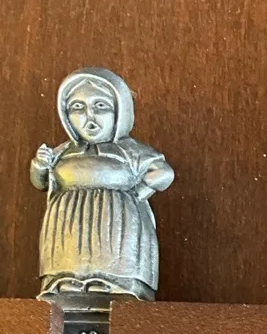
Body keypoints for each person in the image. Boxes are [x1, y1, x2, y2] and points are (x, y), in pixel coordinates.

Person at [31, 67, 174, 299]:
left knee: (112, 253)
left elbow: (164, 173)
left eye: (100, 106)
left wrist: (137, 194)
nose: (90, 116)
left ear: (120, 111)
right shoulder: (63, 151)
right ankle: (68, 281)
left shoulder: (129, 151)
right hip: (68, 222)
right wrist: (40, 165)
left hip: (117, 220)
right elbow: (41, 182)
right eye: (77, 108)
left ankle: (112, 282)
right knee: (69, 256)